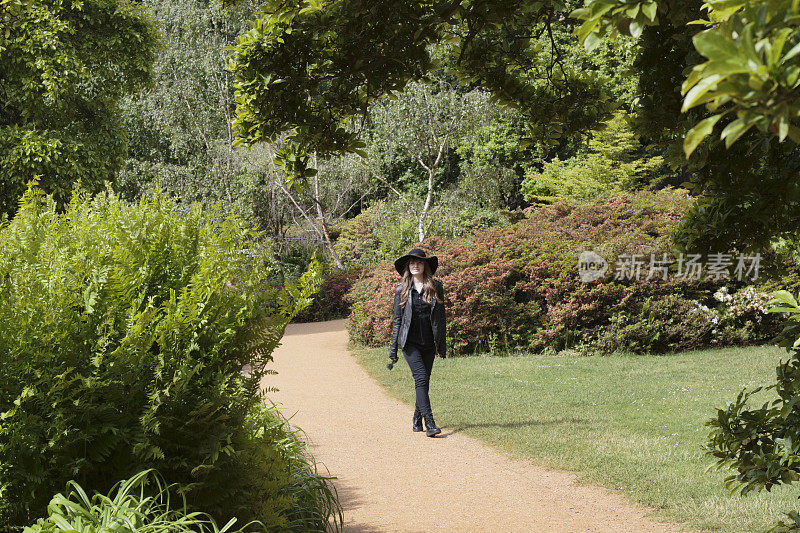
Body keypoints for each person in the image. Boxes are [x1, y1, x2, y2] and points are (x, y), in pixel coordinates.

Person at [388, 248, 447, 437]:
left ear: (425, 266)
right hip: (410, 343)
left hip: (429, 343)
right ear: (408, 266)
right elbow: (397, 320)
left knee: (424, 383)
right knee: (420, 379)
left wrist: (442, 345)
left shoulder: (436, 286)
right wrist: (393, 350)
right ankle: (430, 423)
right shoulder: (401, 289)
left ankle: (416, 419)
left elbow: (441, 318)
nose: (415, 265)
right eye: (412, 262)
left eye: (419, 262)